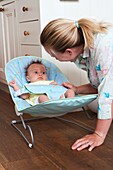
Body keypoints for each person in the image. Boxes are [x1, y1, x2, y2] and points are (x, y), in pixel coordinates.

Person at [40, 18, 113, 151]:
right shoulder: (87, 51)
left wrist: (98, 134)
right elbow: (101, 84)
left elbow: (107, 95)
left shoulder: (104, 50)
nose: (53, 58)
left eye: (53, 55)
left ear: (69, 52)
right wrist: (77, 89)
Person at [10, 60, 75, 105]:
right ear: (28, 78)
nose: (40, 74)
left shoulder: (50, 82)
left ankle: (69, 102)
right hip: (40, 101)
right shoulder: (29, 86)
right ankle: (51, 105)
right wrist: (15, 86)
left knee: (70, 91)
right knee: (42, 97)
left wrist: (57, 85)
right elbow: (24, 96)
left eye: (43, 72)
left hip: (59, 97)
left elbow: (58, 89)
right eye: (36, 72)